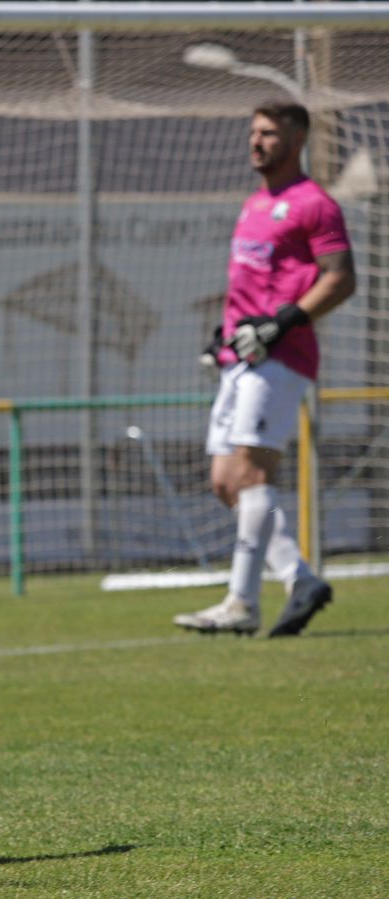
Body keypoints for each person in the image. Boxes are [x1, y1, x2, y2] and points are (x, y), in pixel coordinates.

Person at [174, 101, 356, 638]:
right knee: (226, 482)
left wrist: (285, 323)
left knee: (251, 475)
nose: (256, 142)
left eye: (269, 133)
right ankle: (299, 578)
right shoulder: (256, 202)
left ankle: (241, 602)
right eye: (253, 131)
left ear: (297, 140)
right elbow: (250, 284)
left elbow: (341, 278)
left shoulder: (314, 204)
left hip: (281, 358)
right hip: (241, 356)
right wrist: (223, 335)